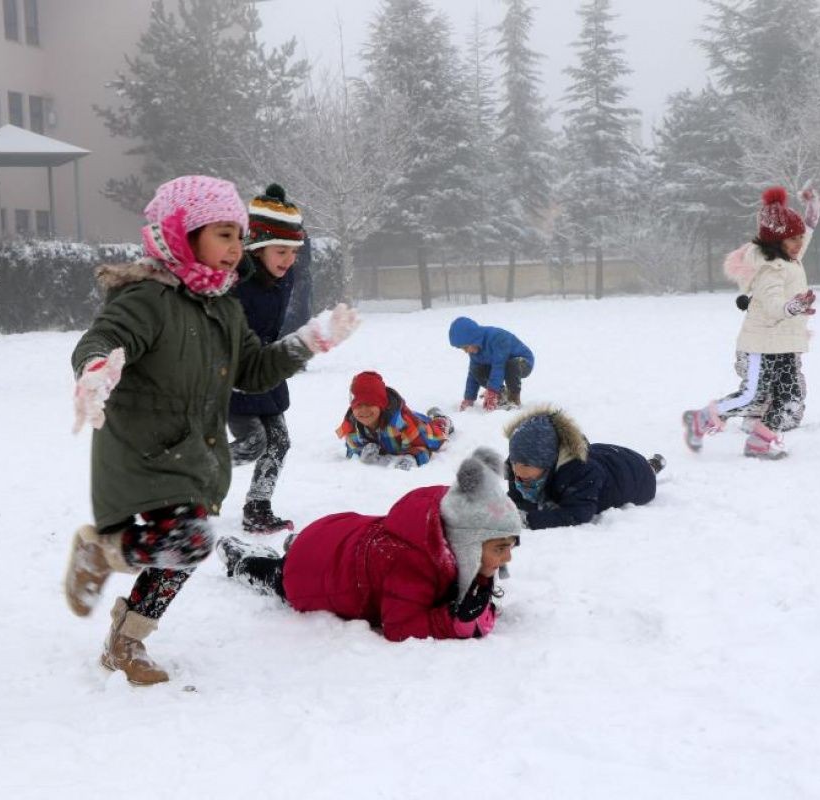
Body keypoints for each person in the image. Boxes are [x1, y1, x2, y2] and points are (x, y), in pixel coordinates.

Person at [62, 175, 359, 686]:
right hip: (144, 451)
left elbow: (252, 370)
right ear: (183, 232)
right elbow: (103, 338)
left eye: (240, 236)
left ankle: (125, 642)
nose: (236, 248)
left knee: (183, 551)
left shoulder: (222, 304)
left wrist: (308, 341)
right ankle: (100, 553)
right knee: (191, 541)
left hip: (193, 453)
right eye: (224, 234)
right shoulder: (146, 298)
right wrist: (95, 371)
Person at [217, 448, 521, 642]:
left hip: (337, 534)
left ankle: (297, 546)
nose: (507, 556)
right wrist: (448, 622)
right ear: (467, 542)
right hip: (313, 574)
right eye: (499, 548)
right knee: (280, 575)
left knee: (312, 552)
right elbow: (400, 627)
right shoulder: (413, 561)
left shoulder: (449, 519)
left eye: (510, 546)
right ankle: (242, 560)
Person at [682, 185, 820, 459]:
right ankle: (700, 419)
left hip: (785, 345)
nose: (799, 243)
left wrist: (813, 209)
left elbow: (807, 232)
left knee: (790, 396)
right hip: (762, 344)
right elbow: (772, 307)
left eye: (799, 238)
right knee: (752, 396)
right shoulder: (771, 269)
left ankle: (761, 441)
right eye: (793, 239)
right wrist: (793, 306)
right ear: (776, 241)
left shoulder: (791, 259)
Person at [228, 184, 307, 534]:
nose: (288, 259)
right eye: (280, 251)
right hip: (234, 374)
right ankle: (194, 474)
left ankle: (257, 506)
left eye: (293, 251)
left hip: (267, 366)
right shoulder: (234, 278)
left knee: (279, 440)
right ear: (257, 247)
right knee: (251, 442)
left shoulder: (284, 275)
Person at [504, 405, 663, 530]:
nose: (518, 470)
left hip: (636, 474)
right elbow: (516, 499)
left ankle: (653, 465)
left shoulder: (580, 473)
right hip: (604, 454)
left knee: (646, 470)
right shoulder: (516, 468)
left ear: (548, 463)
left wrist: (528, 520)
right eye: (514, 462)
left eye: (526, 464)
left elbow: (578, 513)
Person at [335, 370, 454, 470]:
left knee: (436, 433)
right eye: (358, 405)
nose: (363, 411)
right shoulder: (352, 425)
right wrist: (361, 453)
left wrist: (411, 457)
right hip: (405, 426)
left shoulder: (402, 423)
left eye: (370, 404)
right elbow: (352, 450)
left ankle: (440, 418)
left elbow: (423, 448)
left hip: (418, 428)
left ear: (381, 404)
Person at [448, 316, 534, 411]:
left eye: (465, 347)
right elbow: (472, 375)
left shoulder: (497, 338)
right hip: (500, 365)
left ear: (474, 339)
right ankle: (501, 393)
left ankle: (513, 398)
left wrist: (492, 391)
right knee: (476, 369)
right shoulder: (475, 349)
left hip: (522, 362)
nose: (465, 351)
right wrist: (469, 398)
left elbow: (499, 366)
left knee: (511, 365)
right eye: (462, 349)